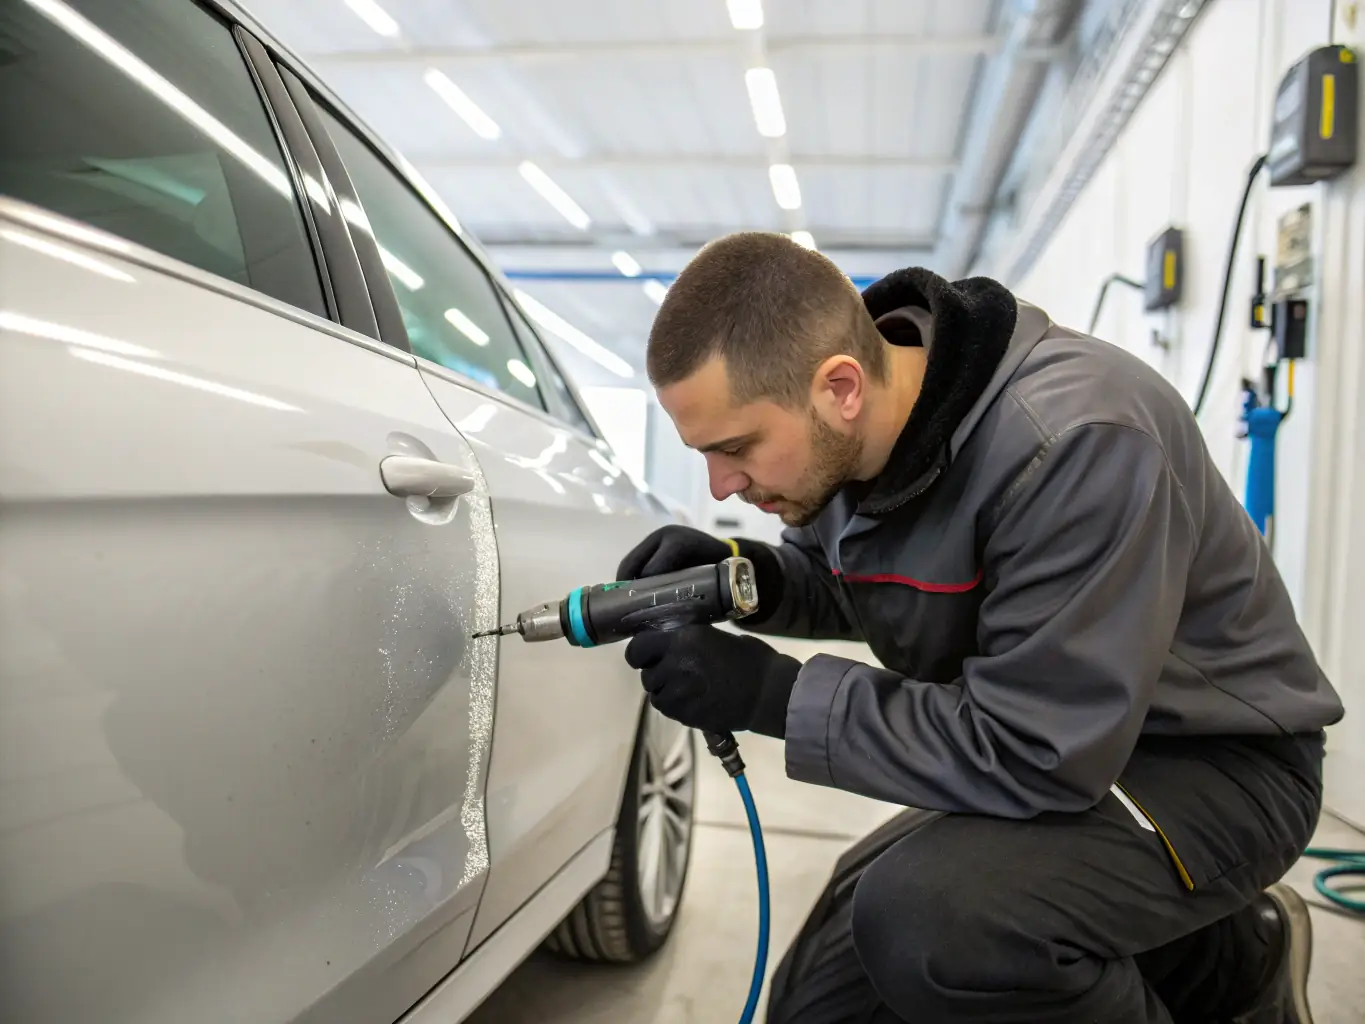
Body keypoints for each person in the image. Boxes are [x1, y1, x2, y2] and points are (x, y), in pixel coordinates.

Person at [616, 232, 1344, 1024]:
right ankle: (1223, 962)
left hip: (1208, 766)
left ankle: (1228, 966)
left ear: (841, 386)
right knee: (819, 999)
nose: (722, 483)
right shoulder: (850, 444)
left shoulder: (1076, 440)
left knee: (933, 923)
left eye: (736, 448)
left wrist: (770, 694)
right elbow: (848, 583)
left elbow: (1037, 748)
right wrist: (739, 576)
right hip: (1070, 747)